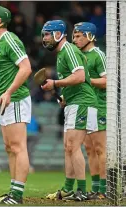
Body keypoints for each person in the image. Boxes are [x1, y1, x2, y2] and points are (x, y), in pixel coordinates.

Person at [41, 20, 98, 201]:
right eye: (44, 34)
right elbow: (73, 79)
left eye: (48, 34)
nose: (45, 38)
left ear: (59, 34)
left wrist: (56, 83)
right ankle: (68, 188)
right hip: (74, 101)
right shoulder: (61, 54)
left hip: (83, 102)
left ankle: (81, 191)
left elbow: (80, 76)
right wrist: (65, 97)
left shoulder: (69, 50)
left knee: (74, 147)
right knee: (68, 147)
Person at [0, 5, 32, 204]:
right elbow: (11, 71)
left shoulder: (9, 39)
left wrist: (9, 91)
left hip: (16, 98)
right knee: (9, 147)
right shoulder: (0, 42)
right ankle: (13, 191)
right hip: (7, 97)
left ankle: (17, 195)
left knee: (18, 147)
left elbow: (26, 68)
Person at [72, 22, 107, 200]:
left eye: (79, 36)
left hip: (100, 105)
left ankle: (104, 189)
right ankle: (95, 188)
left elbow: (107, 81)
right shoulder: (77, 55)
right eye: (74, 36)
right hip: (86, 106)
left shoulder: (98, 55)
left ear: (90, 36)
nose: (75, 39)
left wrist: (87, 80)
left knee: (101, 148)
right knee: (89, 149)